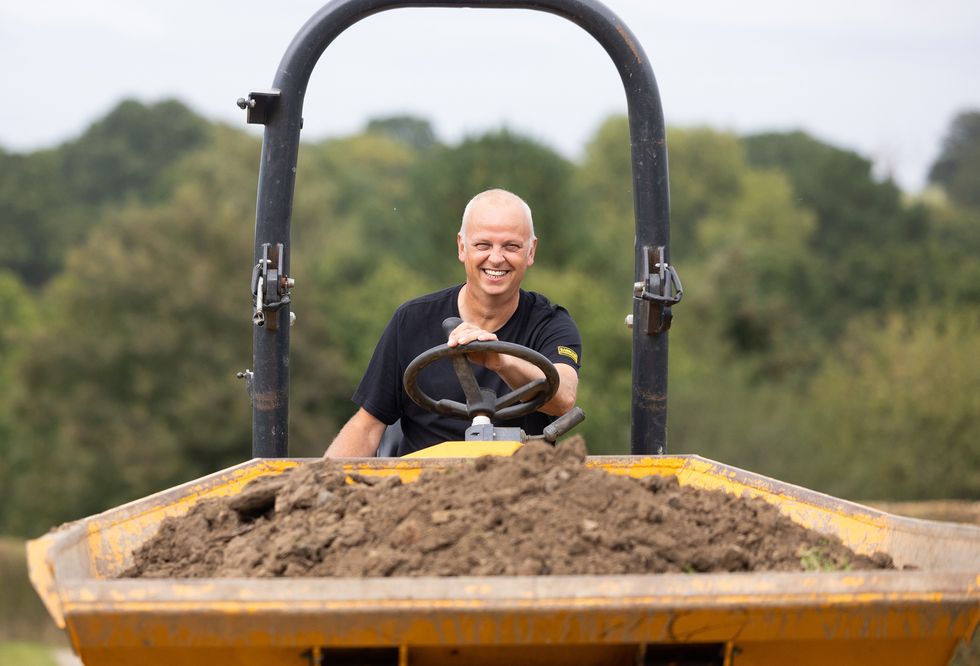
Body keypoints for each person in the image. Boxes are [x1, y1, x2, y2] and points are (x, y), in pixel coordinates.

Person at [323, 188, 581, 457]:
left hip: (519, 478)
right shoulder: (411, 320)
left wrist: (501, 360)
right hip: (422, 478)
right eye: (483, 245)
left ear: (531, 251)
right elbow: (366, 426)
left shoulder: (551, 323)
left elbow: (563, 397)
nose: (496, 258)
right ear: (462, 247)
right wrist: (319, 479)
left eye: (511, 246)